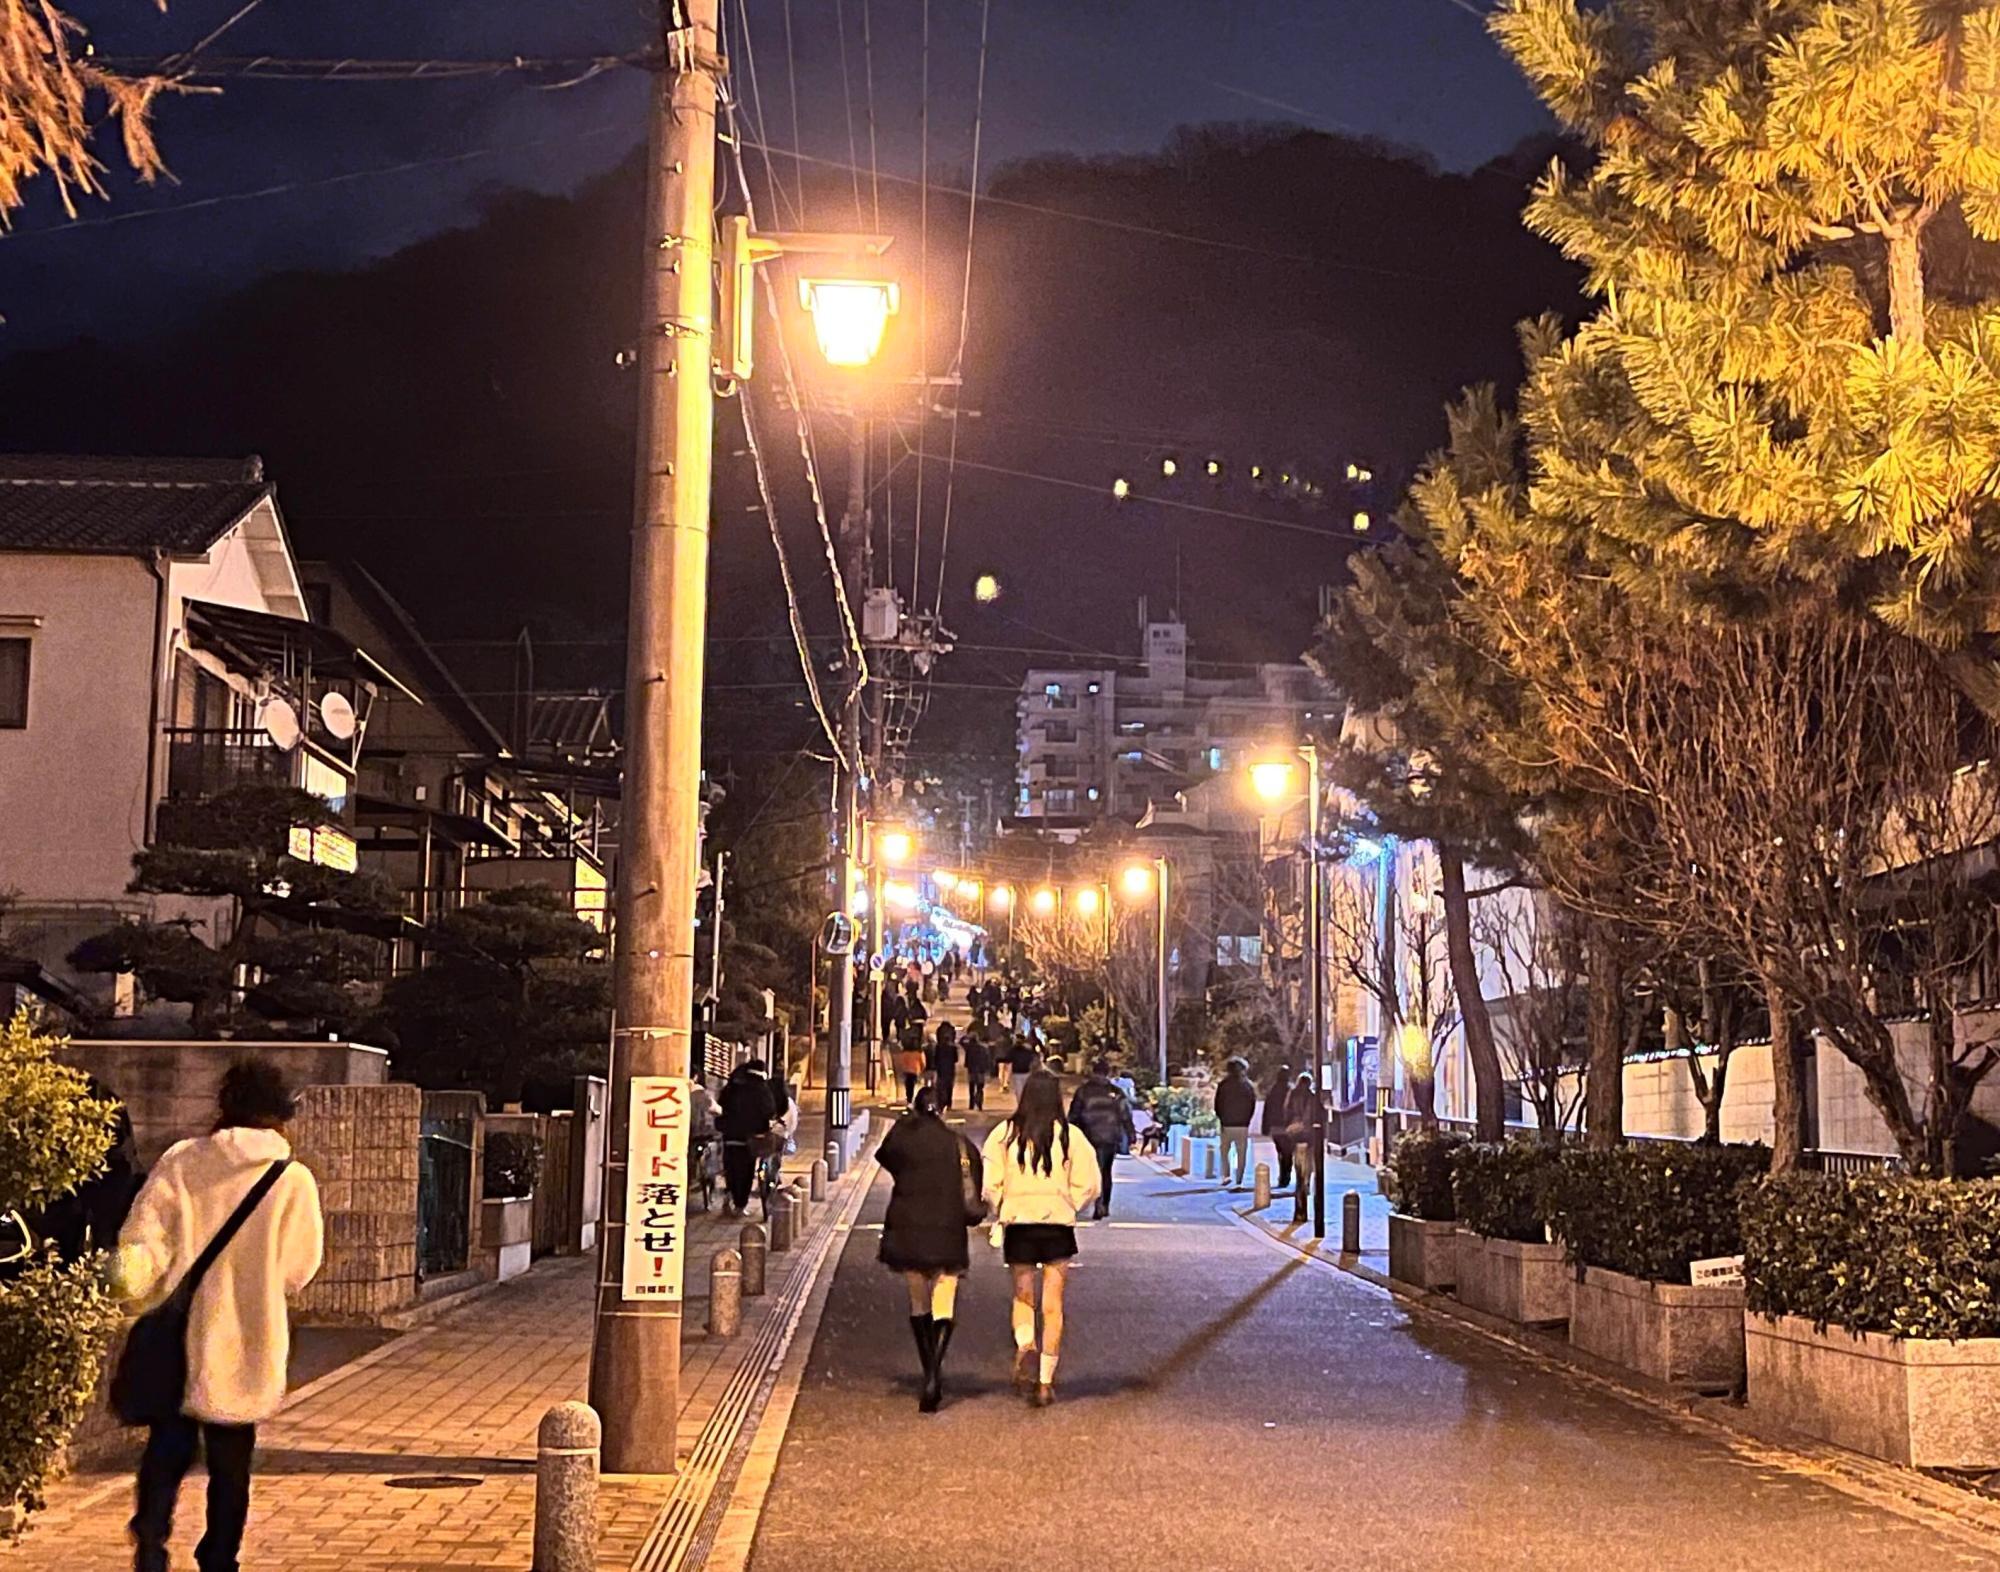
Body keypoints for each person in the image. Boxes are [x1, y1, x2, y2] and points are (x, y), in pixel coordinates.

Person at [118, 1061, 324, 1572]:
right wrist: (258, 1284)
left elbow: (142, 1242)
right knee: (232, 1462)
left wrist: (133, 1295)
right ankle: (219, 1557)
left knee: (165, 1448)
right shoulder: (291, 1179)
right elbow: (300, 1267)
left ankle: (150, 1543)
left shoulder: (183, 1161)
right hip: (245, 1336)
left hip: (177, 1335)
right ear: (279, 1113)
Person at [981, 1069, 1101, 1407]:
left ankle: (1024, 1344)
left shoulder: (1005, 1134)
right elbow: (1089, 1184)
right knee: (1053, 1304)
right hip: (1056, 1225)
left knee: (1023, 1296)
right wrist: (1068, 1204)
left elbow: (990, 1183)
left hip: (1020, 1222)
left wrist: (1003, 1205)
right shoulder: (1071, 1137)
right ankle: (1046, 1378)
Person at [877, 1088, 983, 1412]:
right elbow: (976, 1183)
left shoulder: (904, 1138)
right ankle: (935, 1371)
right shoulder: (960, 1144)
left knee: (918, 1301)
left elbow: (885, 1156)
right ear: (945, 1108)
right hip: (948, 1229)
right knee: (944, 1299)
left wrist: (906, 1123)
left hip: (908, 1227)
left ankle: (930, 1373)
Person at [1067, 1060, 1136, 1219]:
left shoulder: (1083, 1091)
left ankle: (1093, 1200)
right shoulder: (1116, 1092)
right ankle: (1103, 1204)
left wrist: (1068, 1133)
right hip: (1110, 1137)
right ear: (1108, 1073)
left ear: (1093, 1072)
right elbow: (1125, 1114)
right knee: (1106, 1171)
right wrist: (1130, 1133)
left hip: (1088, 1136)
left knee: (1090, 1170)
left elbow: (1074, 1115)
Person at [718, 1059, 777, 1215]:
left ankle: (730, 1192)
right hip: (750, 1138)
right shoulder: (762, 1089)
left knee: (731, 1167)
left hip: (730, 1135)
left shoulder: (733, 1086)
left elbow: (721, 1104)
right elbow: (770, 1110)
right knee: (746, 1171)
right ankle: (740, 1204)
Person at [1214, 1058, 1258, 1190]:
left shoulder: (1223, 1085)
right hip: (1242, 1124)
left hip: (1226, 1124)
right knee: (1241, 1153)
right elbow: (1252, 1105)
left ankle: (1226, 1175)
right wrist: (1247, 1119)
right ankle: (1239, 1180)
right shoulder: (1247, 1085)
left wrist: (1221, 1118)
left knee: (1224, 1151)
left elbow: (1217, 1104)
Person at [1286, 1072, 1323, 1225]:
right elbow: (1318, 1117)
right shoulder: (1313, 1097)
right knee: (1308, 1171)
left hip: (1296, 1137)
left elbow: (1286, 1113)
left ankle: (1299, 1210)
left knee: (1299, 1173)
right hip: (1309, 1139)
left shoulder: (1292, 1095)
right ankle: (1304, 1197)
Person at [1262, 1063, 1296, 1191]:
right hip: (1287, 1126)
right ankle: (1285, 1176)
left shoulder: (1273, 1091)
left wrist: (1265, 1127)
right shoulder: (1291, 1090)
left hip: (1275, 1127)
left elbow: (1267, 1109)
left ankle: (1283, 1176)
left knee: (1281, 1152)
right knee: (1288, 1153)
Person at [931, 1020, 961, 1112]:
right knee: (949, 1087)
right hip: (950, 1069)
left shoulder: (938, 1047)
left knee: (940, 1086)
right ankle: (949, 1103)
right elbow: (956, 1059)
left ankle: (941, 1103)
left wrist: (935, 1066)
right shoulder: (953, 1047)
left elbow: (935, 1058)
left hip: (940, 1069)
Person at [961, 1025, 990, 1112]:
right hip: (981, 1070)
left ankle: (971, 1104)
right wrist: (987, 1069)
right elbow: (987, 1059)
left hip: (972, 1070)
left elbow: (960, 1042)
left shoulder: (969, 1047)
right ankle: (980, 1104)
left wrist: (966, 1036)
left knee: (971, 1088)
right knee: (980, 1088)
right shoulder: (983, 1048)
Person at [1007, 1034, 1039, 1103]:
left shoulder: (1013, 1050)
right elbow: (1032, 1058)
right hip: (1026, 1071)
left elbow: (1009, 1060)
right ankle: (1024, 1105)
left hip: (1017, 1072)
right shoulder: (1028, 1050)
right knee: (1025, 1090)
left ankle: (1021, 1105)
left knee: (1019, 1090)